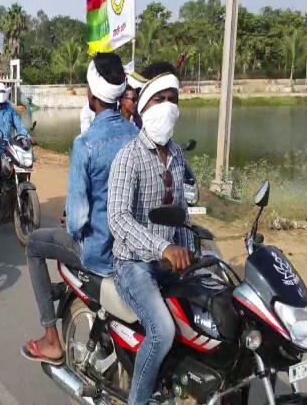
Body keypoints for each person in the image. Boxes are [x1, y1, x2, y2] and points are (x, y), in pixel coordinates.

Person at [20, 52, 139, 365]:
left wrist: (74, 223)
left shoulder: (86, 144)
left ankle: (50, 339)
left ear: (91, 94)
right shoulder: (138, 136)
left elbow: (75, 220)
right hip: (135, 252)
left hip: (97, 254)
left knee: (34, 246)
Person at [108, 62, 194, 405]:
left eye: (173, 99)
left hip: (168, 262)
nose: (168, 107)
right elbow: (118, 219)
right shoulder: (128, 157)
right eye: (160, 98)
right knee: (163, 331)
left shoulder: (176, 155)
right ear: (143, 106)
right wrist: (163, 248)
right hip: (133, 266)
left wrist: (189, 250)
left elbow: (183, 212)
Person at [0, 82, 34, 218]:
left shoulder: (11, 110)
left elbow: (20, 127)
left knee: (20, 166)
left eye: (2, 92)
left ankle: (15, 198)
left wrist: (29, 137)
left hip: (9, 146)